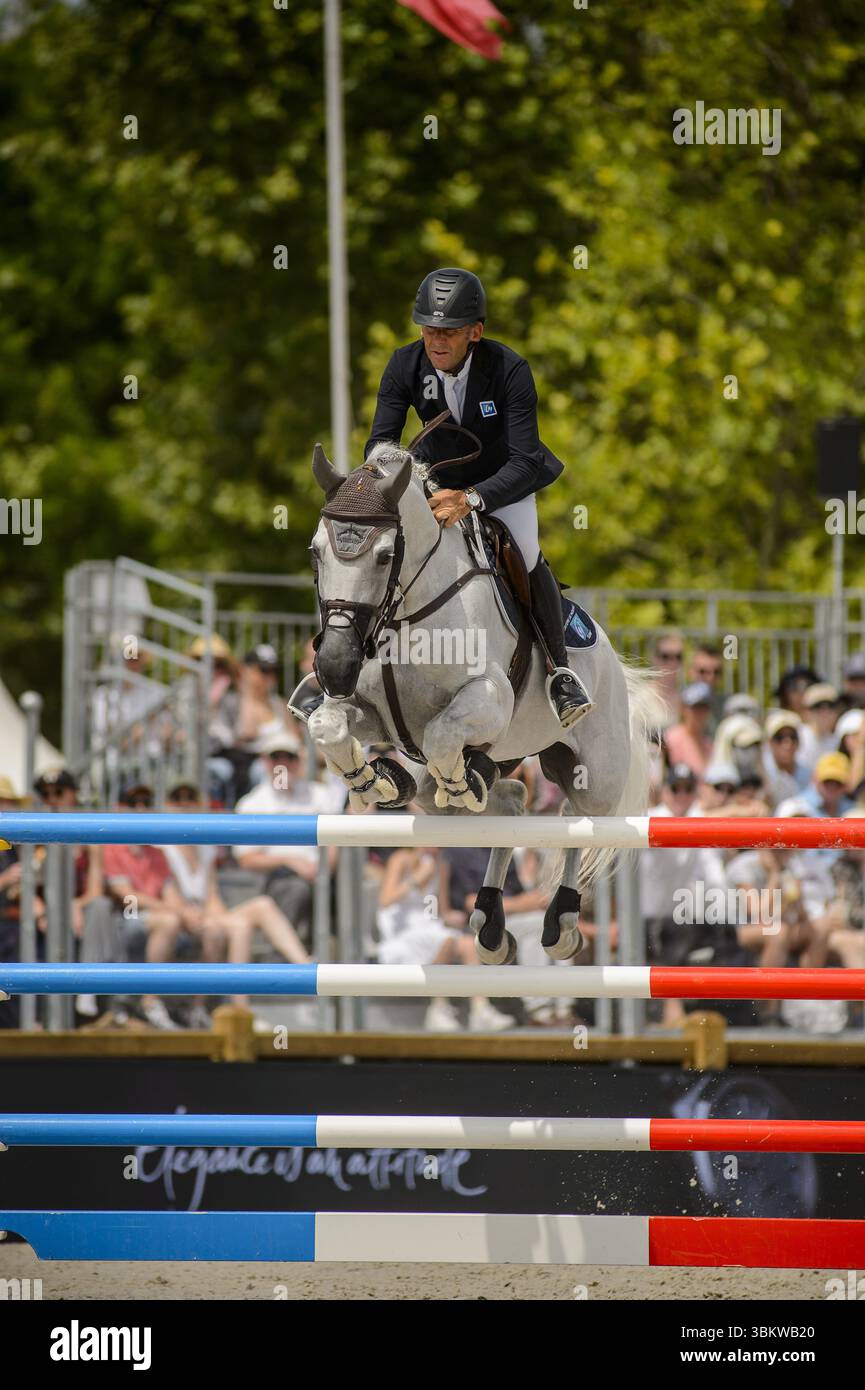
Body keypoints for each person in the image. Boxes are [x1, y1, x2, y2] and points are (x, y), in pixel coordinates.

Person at [365, 266, 589, 729]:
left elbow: (525, 461)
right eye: (429, 329)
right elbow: (379, 444)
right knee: (378, 551)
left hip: (500, 481)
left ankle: (559, 671)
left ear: (476, 332)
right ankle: (349, 662)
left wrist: (470, 498)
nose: (436, 341)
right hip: (433, 480)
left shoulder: (509, 370)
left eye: (448, 332)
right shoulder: (403, 365)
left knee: (525, 555)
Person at [160, 784, 310, 1020]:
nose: (184, 802)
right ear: (168, 805)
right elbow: (170, 897)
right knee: (235, 927)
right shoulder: (162, 846)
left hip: (203, 915)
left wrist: (217, 917)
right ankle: (239, 1009)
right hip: (181, 916)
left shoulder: (204, 848)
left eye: (190, 797)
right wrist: (205, 917)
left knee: (263, 905)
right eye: (178, 798)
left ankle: (304, 968)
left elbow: (212, 896)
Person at [376, 846, 512, 1033]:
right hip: (402, 934)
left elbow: (438, 910)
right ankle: (438, 1007)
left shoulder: (440, 863)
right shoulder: (400, 859)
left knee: (468, 944)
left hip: (429, 928)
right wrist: (416, 879)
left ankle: (480, 1008)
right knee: (446, 941)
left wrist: (452, 917)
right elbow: (385, 899)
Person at [662, 682, 714, 777]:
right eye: (695, 708)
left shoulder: (709, 744)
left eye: (704, 708)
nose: (700, 713)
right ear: (683, 708)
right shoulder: (671, 739)